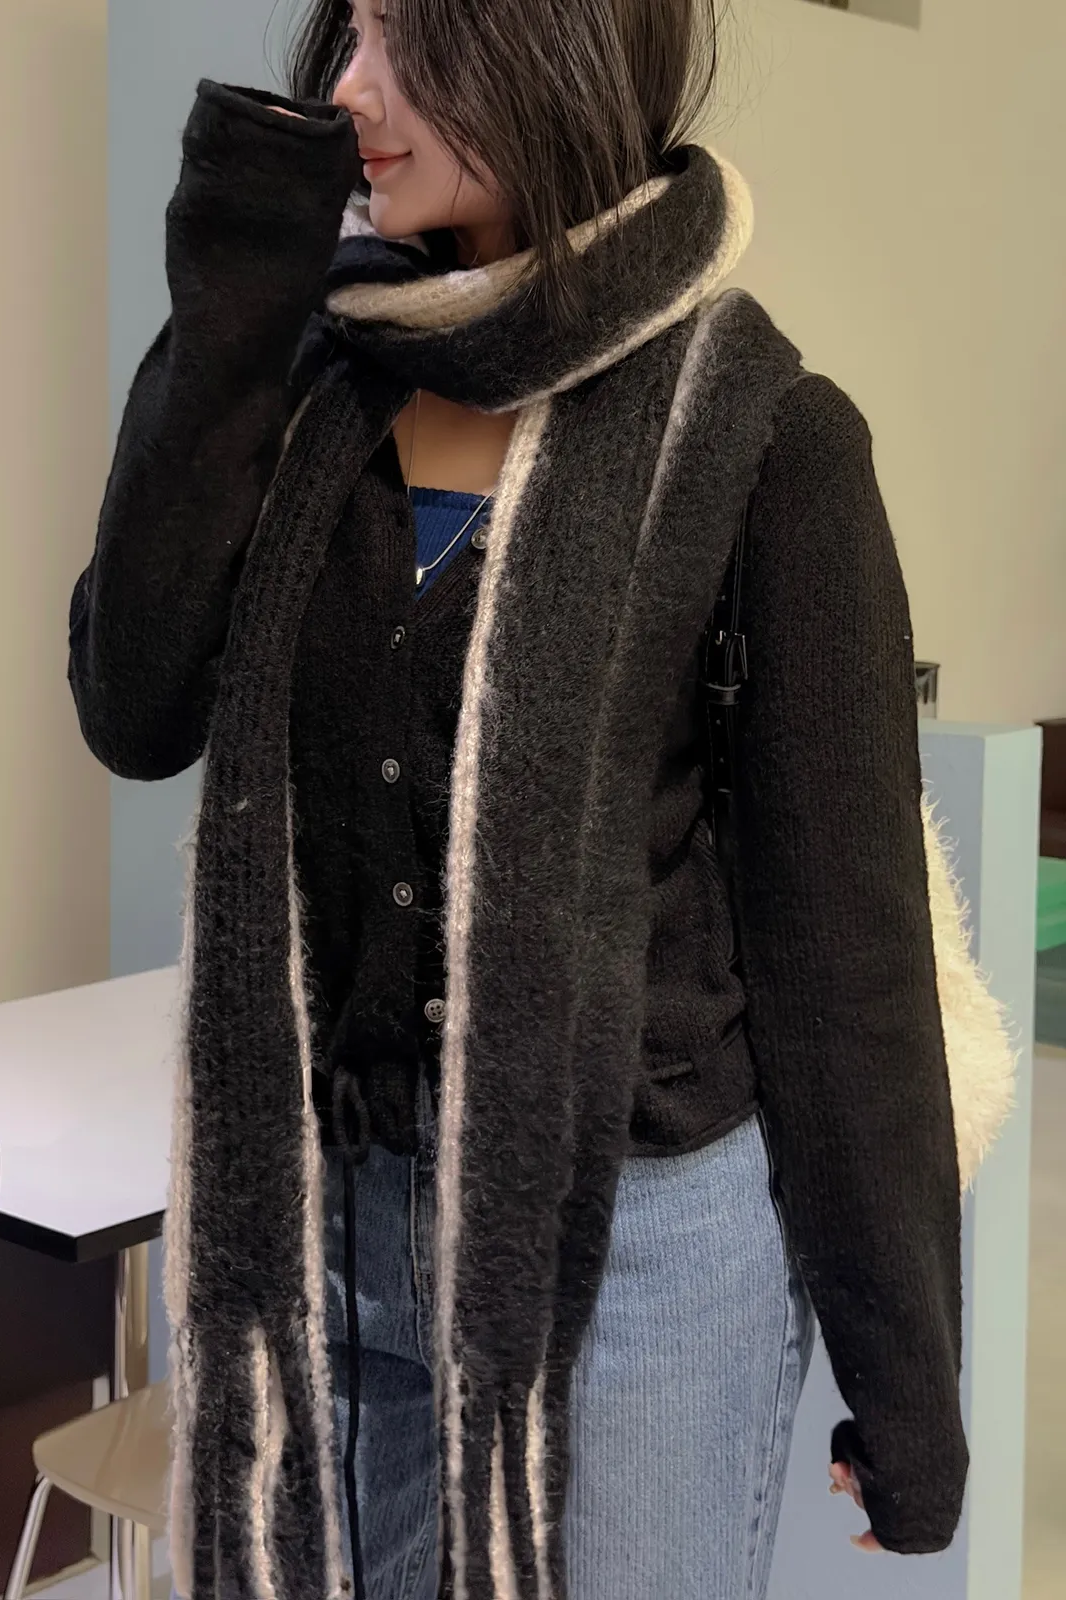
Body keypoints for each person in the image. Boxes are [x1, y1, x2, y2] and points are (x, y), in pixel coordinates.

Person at [69, 1, 977, 1596]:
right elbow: (133, 708)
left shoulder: (761, 435)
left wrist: (907, 1389)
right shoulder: (312, 387)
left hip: (638, 1254)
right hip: (335, 1222)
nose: (351, 89)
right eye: (349, 33)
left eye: (406, 44)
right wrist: (225, 315)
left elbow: (848, 961)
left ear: (544, 53)